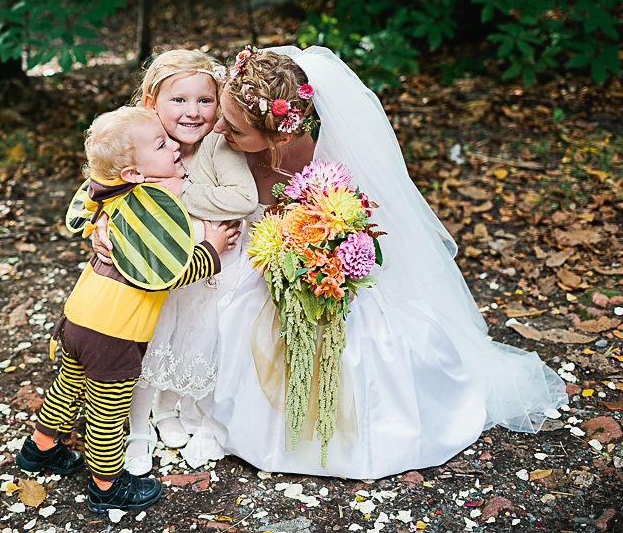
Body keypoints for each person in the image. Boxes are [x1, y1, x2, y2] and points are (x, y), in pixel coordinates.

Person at [206, 45, 568, 478]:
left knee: (356, 345)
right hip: (245, 255)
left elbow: (360, 236)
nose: (218, 127)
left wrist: (314, 258)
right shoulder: (222, 144)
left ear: (281, 135)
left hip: (322, 268)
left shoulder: (336, 158)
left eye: (235, 128)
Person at [14, 106, 238, 513]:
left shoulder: (109, 192)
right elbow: (169, 270)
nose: (172, 145)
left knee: (68, 387)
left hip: (80, 316)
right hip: (114, 332)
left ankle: (39, 449)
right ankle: (106, 487)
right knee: (106, 414)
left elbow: (84, 204)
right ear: (134, 173)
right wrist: (214, 251)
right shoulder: (149, 206)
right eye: (160, 144)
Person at [120, 50, 258, 475]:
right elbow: (109, 187)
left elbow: (244, 198)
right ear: (151, 103)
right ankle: (139, 427)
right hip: (160, 269)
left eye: (204, 101)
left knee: (202, 340)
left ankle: (187, 413)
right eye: (179, 100)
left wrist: (175, 192)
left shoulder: (218, 145)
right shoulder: (138, 138)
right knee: (154, 343)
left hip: (214, 268)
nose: (192, 112)